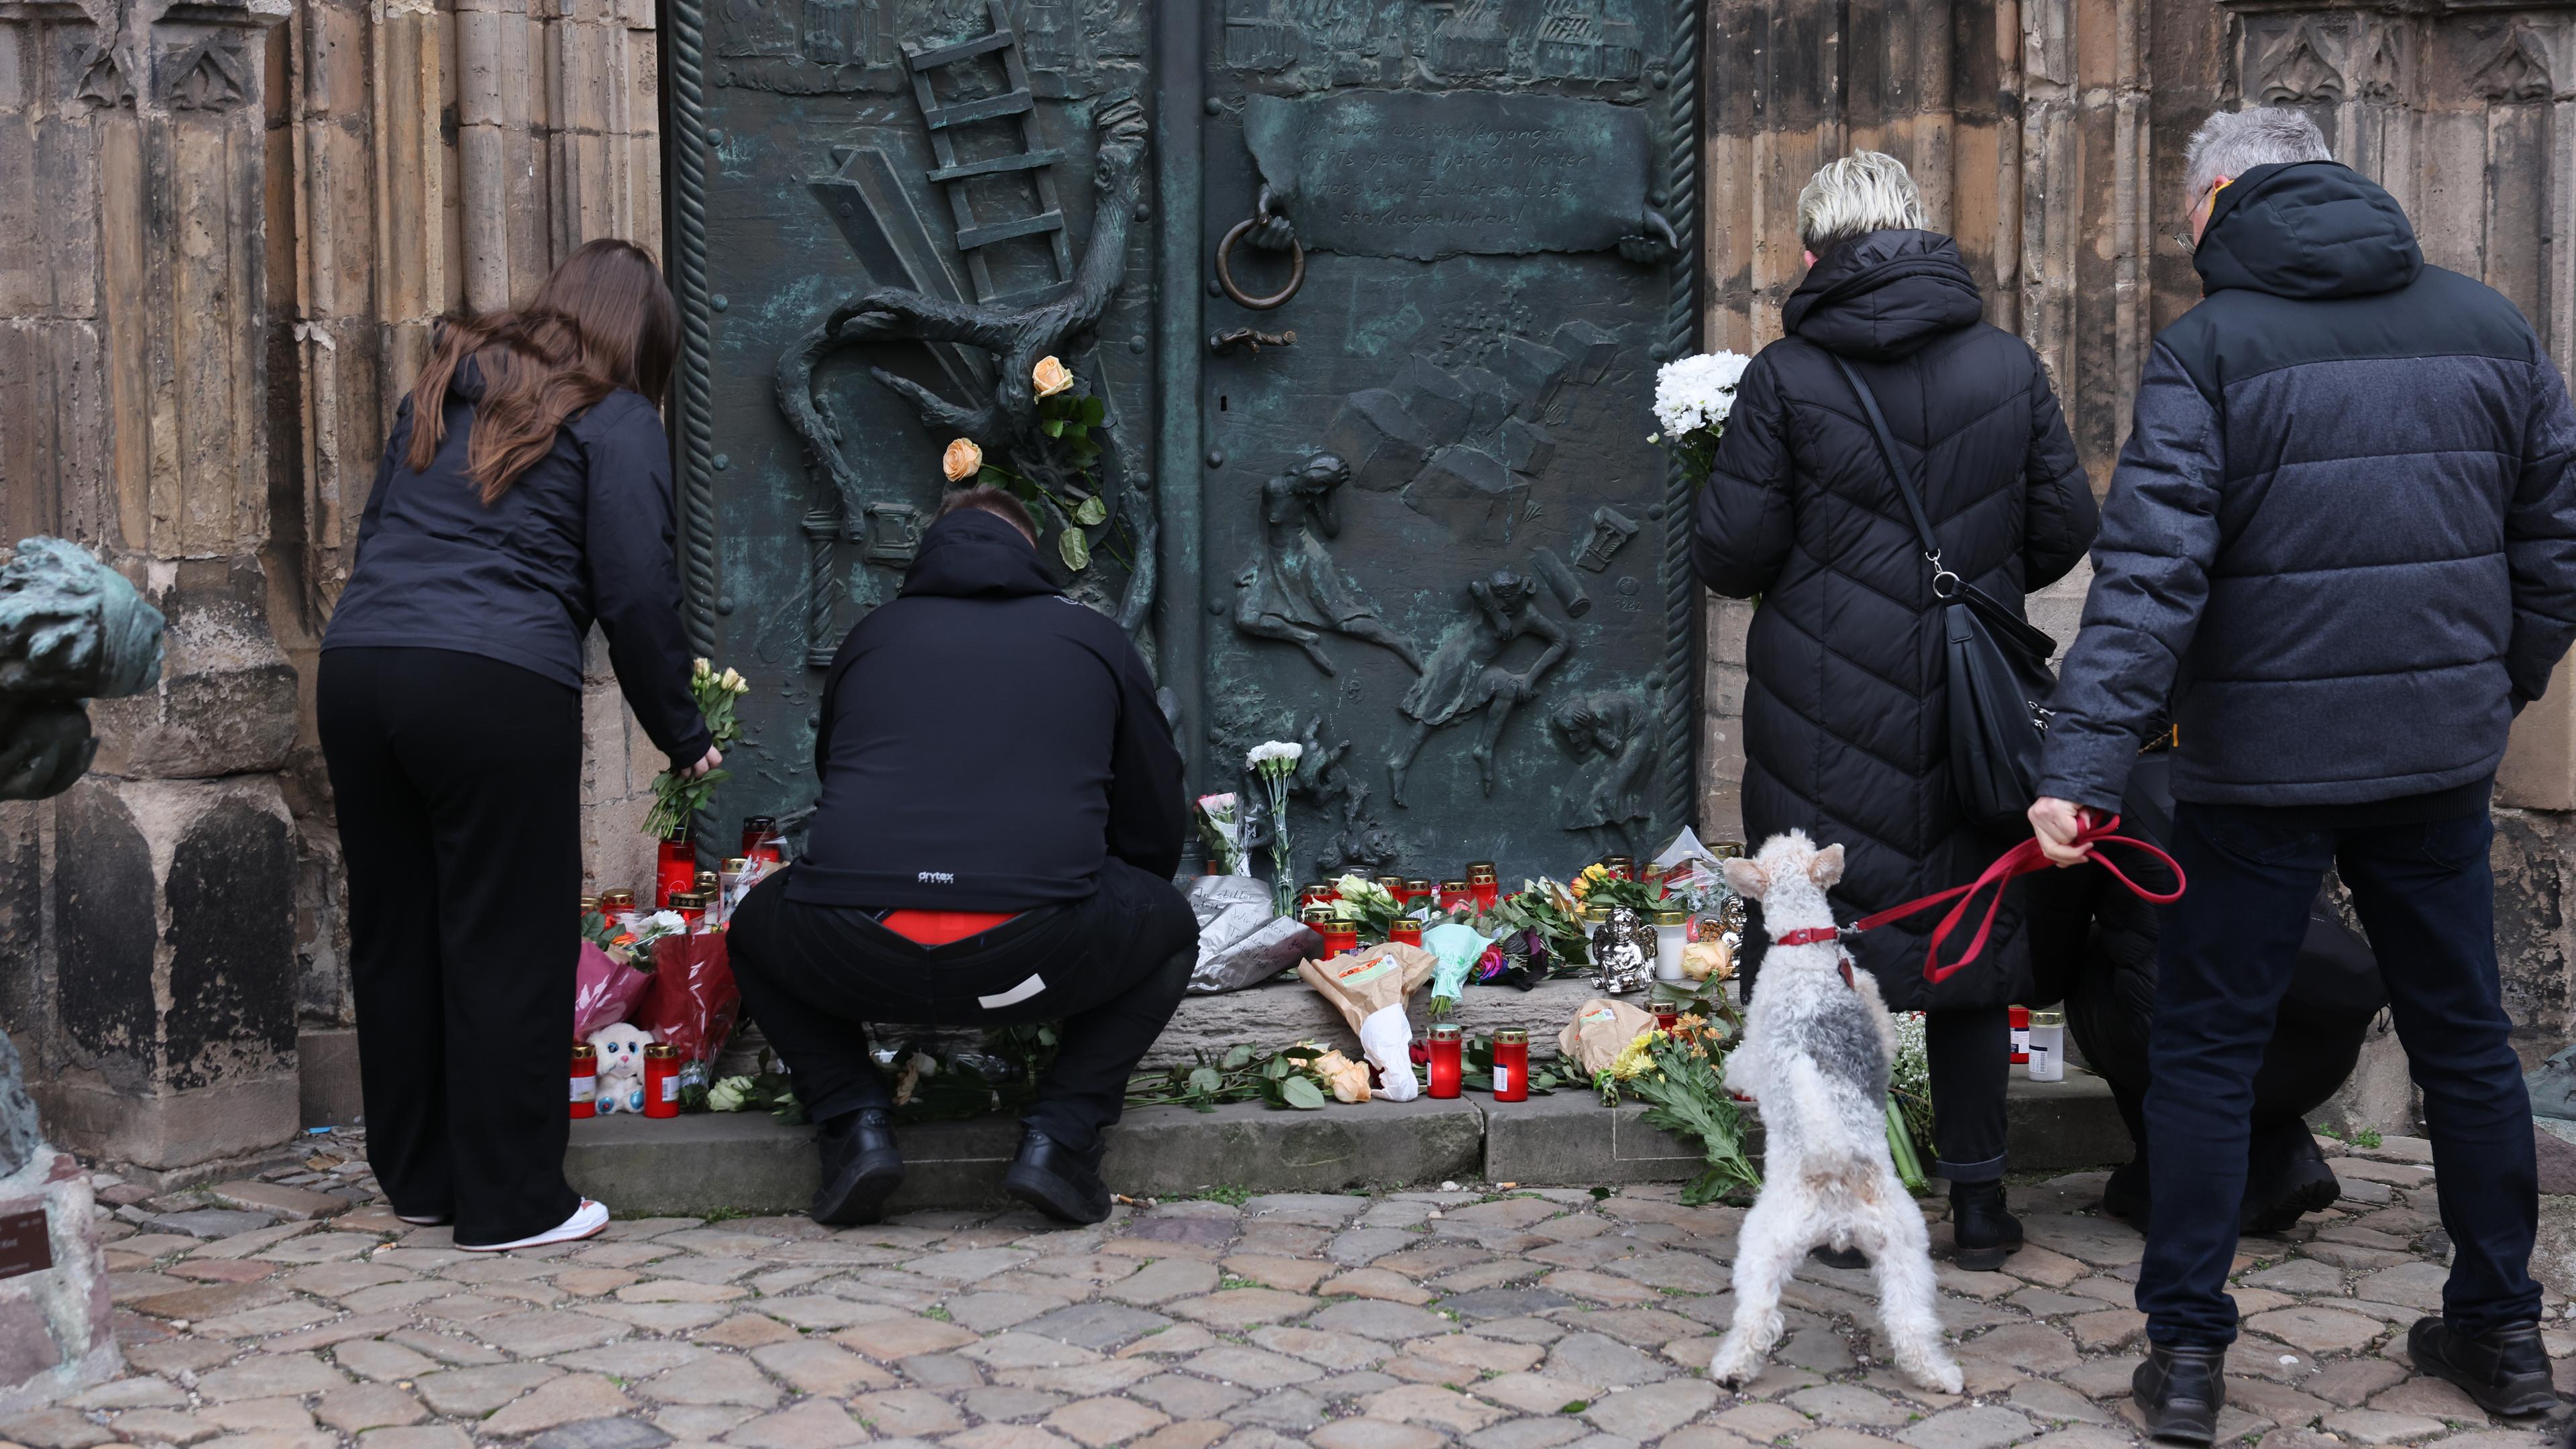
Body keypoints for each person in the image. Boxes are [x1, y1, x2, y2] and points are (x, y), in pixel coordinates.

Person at [2028, 107, 2576, 1442]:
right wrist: (2493, 684)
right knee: (2467, 1048)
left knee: (2209, 1054)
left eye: (2183, 208)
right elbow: (2552, 542)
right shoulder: (2489, 323)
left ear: (2217, 201)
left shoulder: (2212, 347)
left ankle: (2195, 1360)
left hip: (2258, 772)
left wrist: (2084, 764)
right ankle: (2504, 1338)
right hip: (2434, 759)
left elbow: (2150, 579)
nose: (2179, 229)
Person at [1692, 150, 2099, 1271]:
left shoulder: (1788, 377)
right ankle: (1979, 1206)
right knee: (1970, 933)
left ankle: (1837, 1203)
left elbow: (1732, 555)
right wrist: (1974, 570)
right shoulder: (2007, 366)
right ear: (1919, 232)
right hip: (1970, 706)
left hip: (1823, 712)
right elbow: (2066, 526)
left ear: (1820, 249)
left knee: (1830, 946)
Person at [318, 239, 716, 1252]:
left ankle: (421, 1180)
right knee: (505, 937)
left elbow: (377, 534)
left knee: (397, 933)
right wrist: (683, 732)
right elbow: (634, 587)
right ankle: (510, 1203)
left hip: (362, 666)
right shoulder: (614, 417)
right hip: (491, 679)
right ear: (643, 341)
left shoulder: (445, 385)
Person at [727, 487, 1193, 1228]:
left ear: (932, 550)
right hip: (1035, 952)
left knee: (753, 926)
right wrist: (1087, 892)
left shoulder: (871, 636)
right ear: (1029, 550)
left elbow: (834, 775)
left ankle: (854, 1127)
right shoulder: (1096, 639)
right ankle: (1061, 1139)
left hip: (857, 953)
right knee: (1169, 925)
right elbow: (1152, 814)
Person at [2057, 734, 2385, 1234]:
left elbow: (2052, 944)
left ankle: (2158, 1176)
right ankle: (2291, 1154)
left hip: (2192, 1046)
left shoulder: (2107, 795)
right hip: (2321, 1049)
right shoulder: (2276, 767)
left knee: (2091, 964)